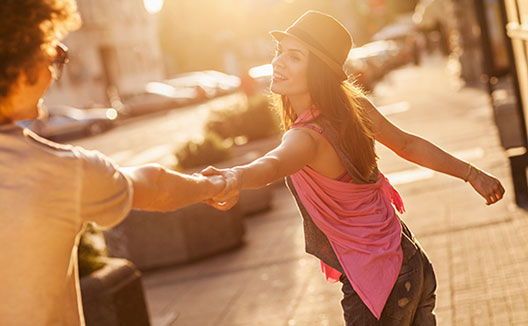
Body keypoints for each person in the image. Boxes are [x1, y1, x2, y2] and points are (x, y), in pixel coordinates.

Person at [202, 10, 505, 325]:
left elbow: (273, 164)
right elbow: (408, 145)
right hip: (407, 259)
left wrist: (233, 177)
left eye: (294, 57)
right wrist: (472, 174)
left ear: (318, 70)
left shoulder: (306, 136)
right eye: (280, 52)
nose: (278, 62)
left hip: (377, 281)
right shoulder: (352, 109)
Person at [0, 1, 225, 325]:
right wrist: (217, 184)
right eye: (55, 55)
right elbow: (156, 186)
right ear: (20, 68)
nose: (54, 71)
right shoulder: (61, 172)